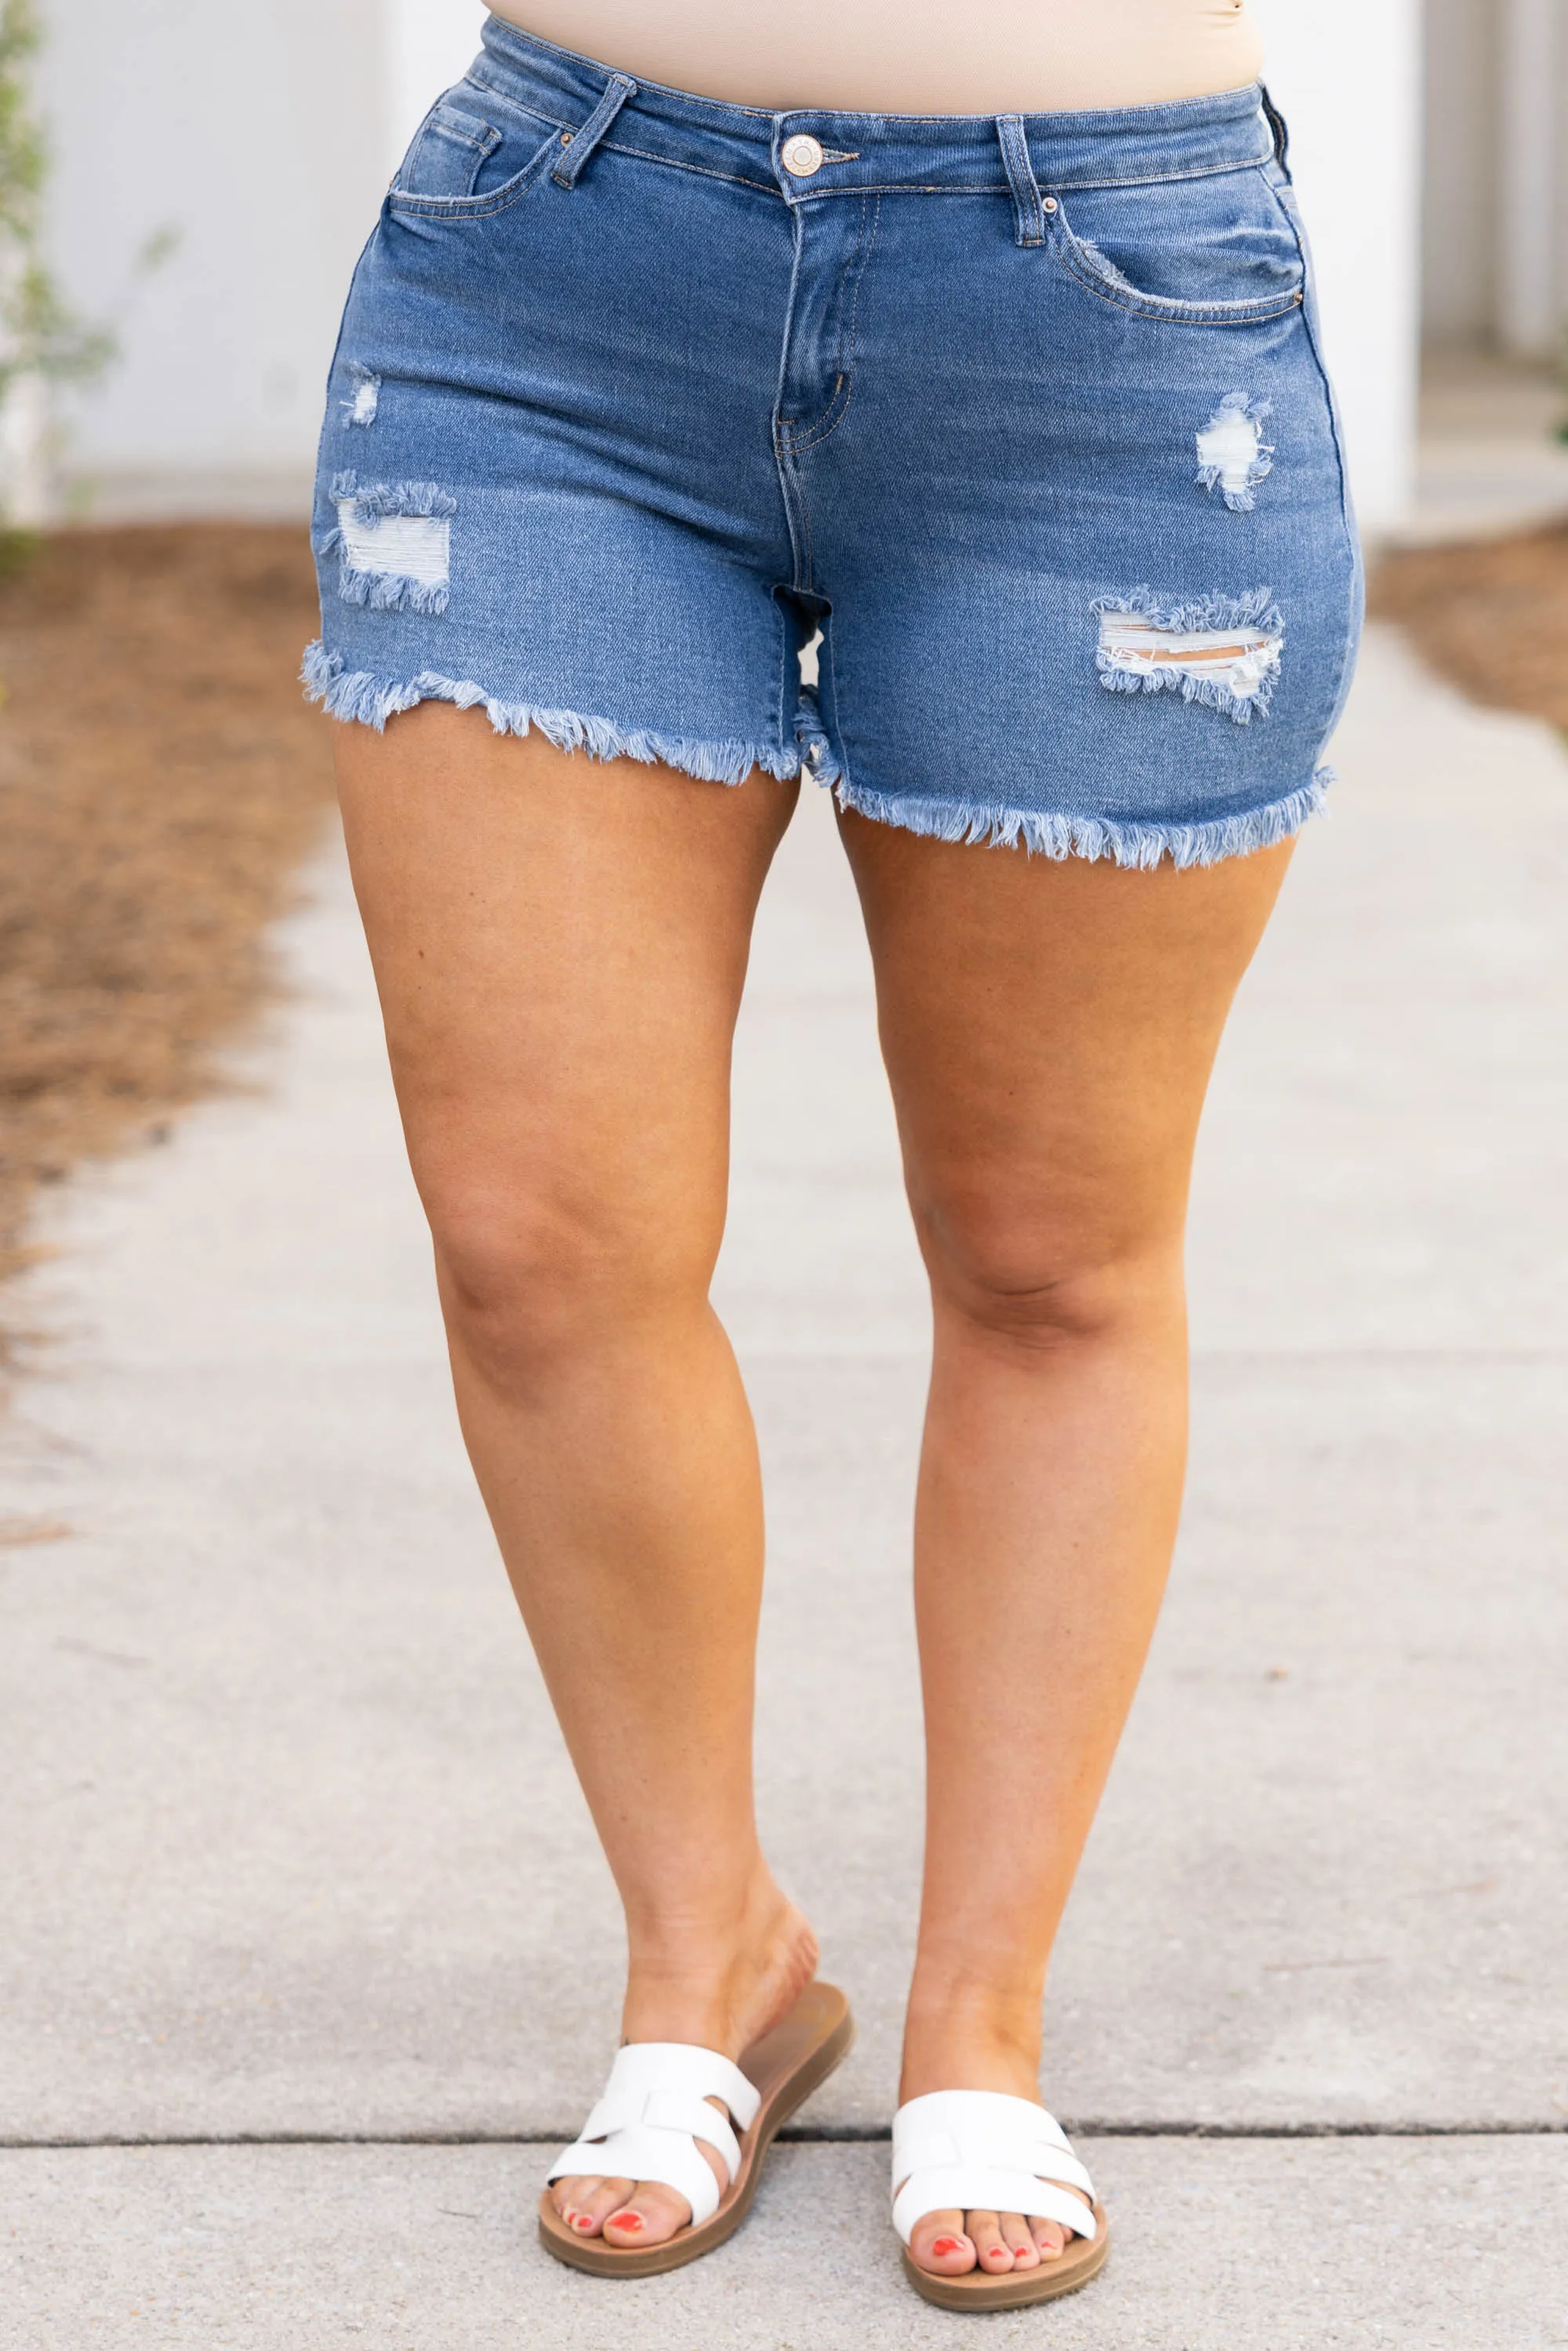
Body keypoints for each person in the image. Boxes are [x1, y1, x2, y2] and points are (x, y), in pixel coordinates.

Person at [306, 0, 1360, 2310]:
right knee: (532, 1236)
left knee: (1053, 1249)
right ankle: (713, 1954)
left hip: (1101, 319)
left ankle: (984, 2009)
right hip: (547, 282)